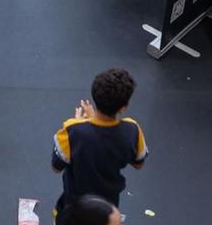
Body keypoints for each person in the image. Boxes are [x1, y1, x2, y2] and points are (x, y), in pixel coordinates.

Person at [51, 68, 148, 217]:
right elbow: (138, 163)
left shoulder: (73, 130)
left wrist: (83, 122)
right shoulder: (132, 130)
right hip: (107, 209)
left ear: (95, 95)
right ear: (124, 106)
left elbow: (56, 167)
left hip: (73, 208)